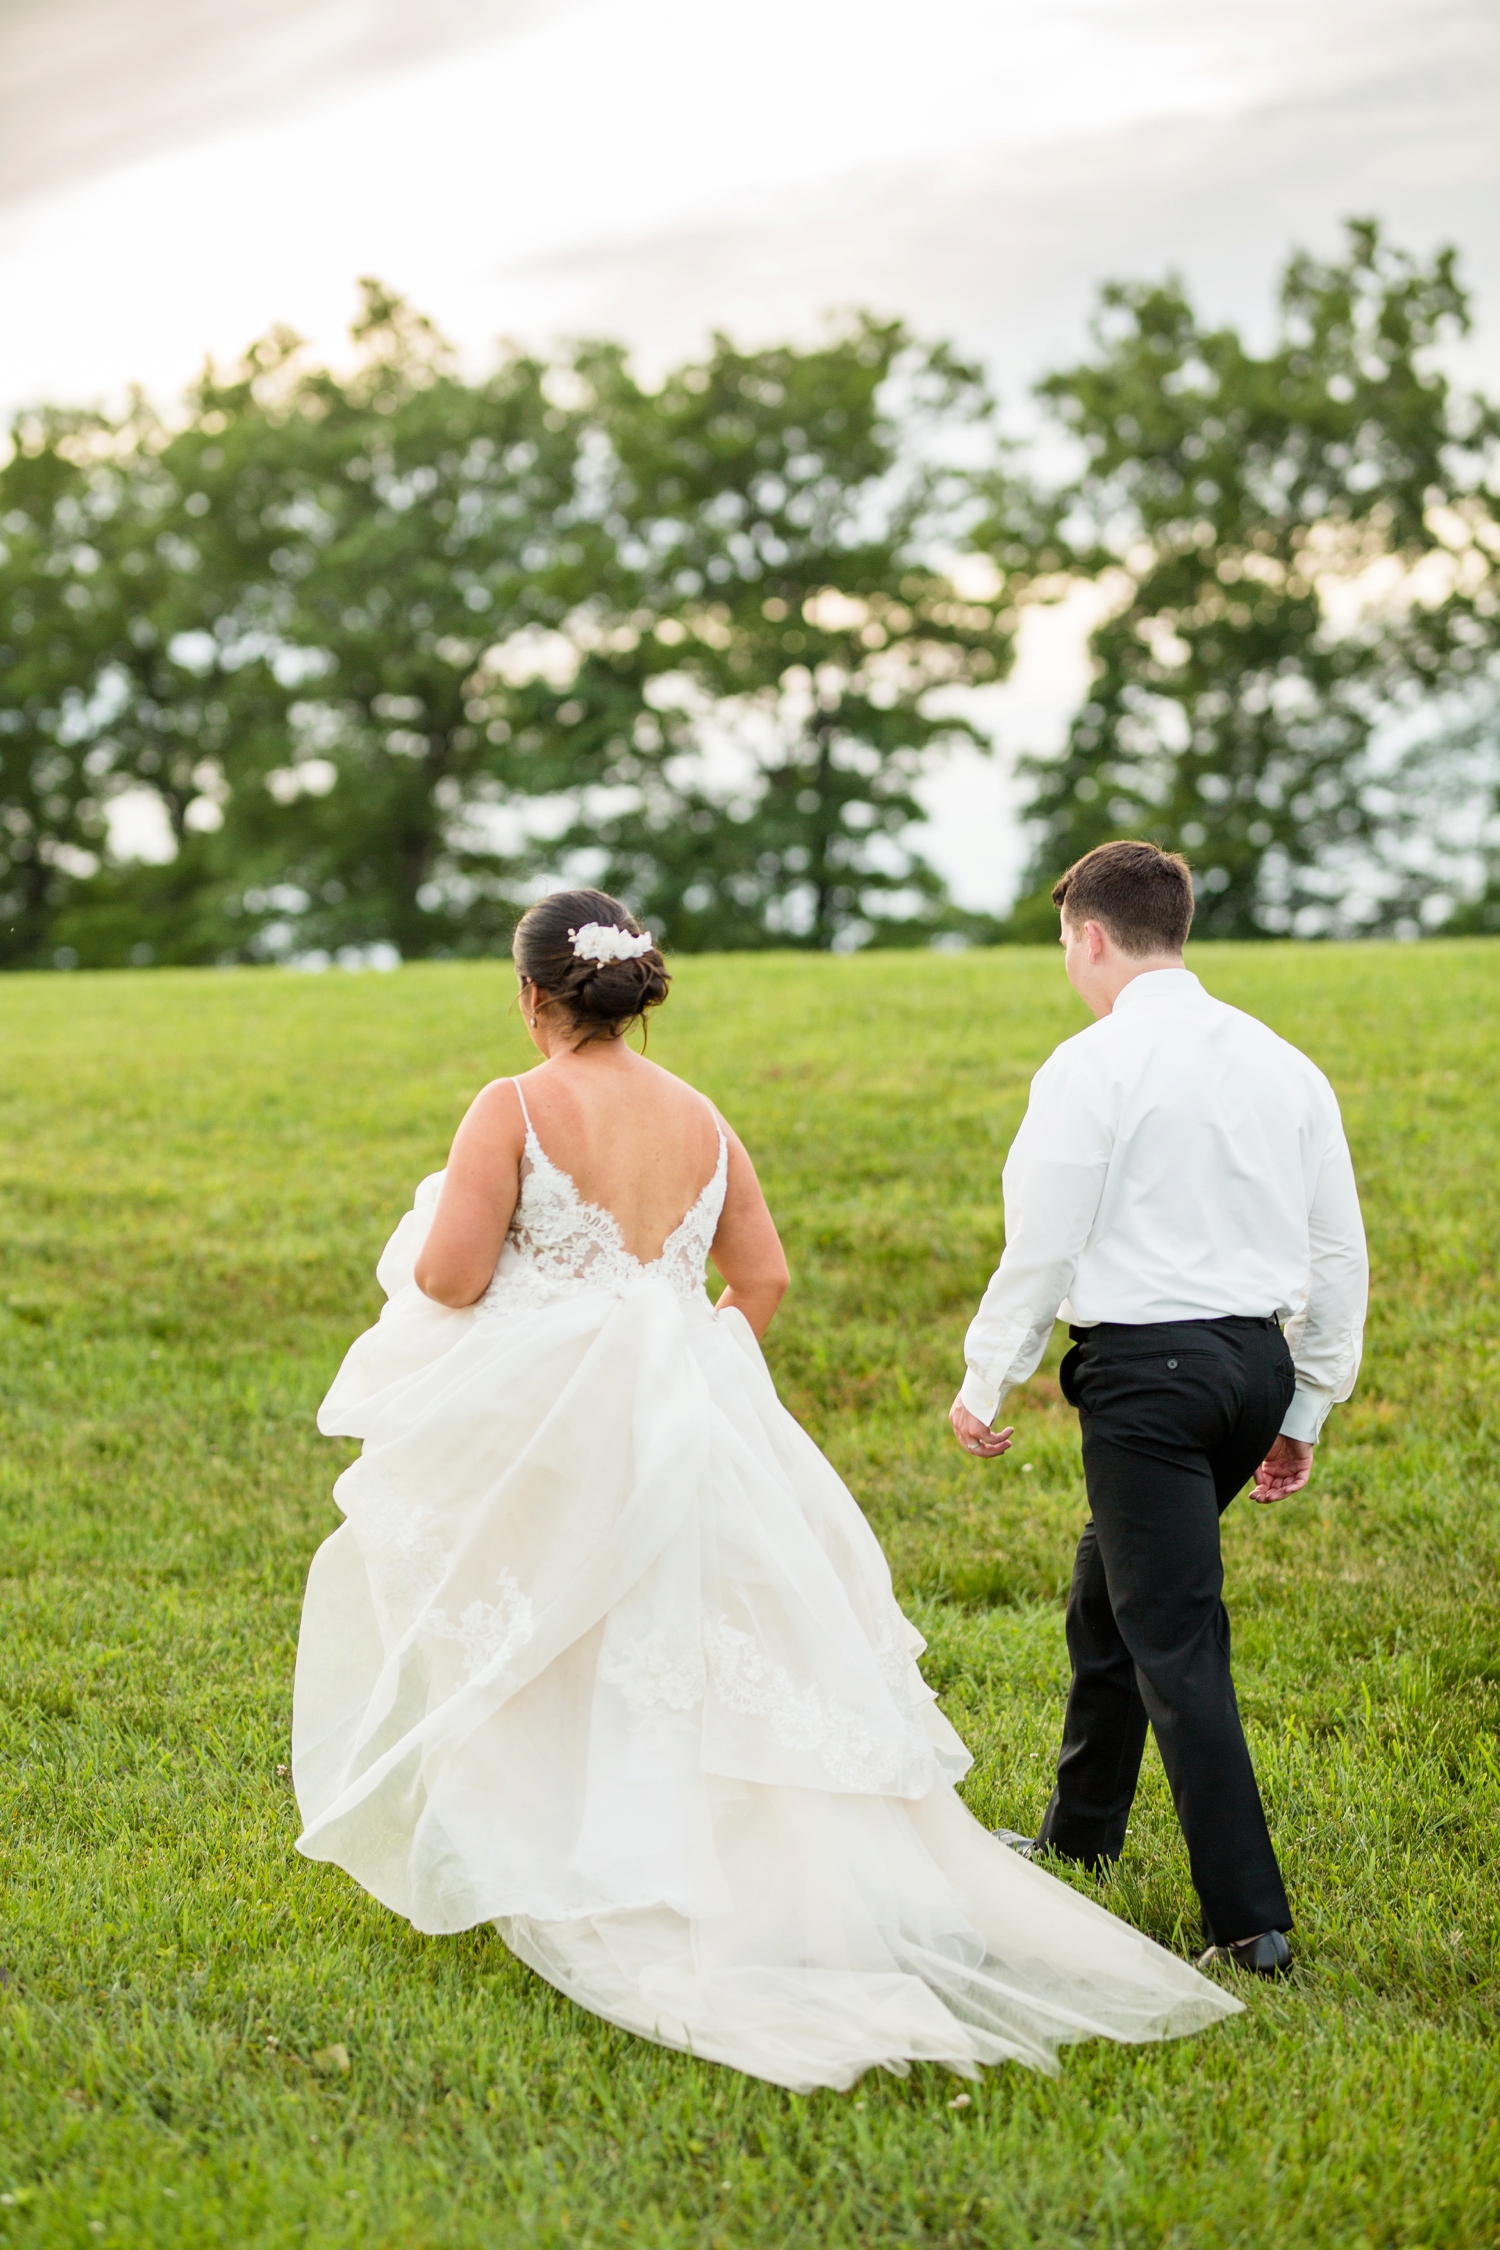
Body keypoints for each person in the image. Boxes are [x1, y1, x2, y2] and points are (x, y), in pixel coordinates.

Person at [292, 885, 1242, 2091]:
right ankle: (731, 1862)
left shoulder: (512, 1106)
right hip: (689, 1409)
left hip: (552, 1415)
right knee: (694, 1640)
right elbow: (765, 1277)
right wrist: (691, 1359)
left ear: (533, 994)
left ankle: (589, 1861)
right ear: (638, 991)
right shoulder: (700, 1115)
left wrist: (454, 1238)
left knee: (553, 1630)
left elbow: (453, 1275)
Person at [951, 841, 1368, 1977]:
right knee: (1111, 1604)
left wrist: (988, 1376)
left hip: (1150, 1387)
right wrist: (1309, 1400)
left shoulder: (1090, 1065)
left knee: (1175, 1638)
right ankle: (1077, 1839)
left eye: (1063, 947)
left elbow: (1044, 1237)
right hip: (1251, 1374)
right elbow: (1338, 1248)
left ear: (1088, 934)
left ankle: (1250, 1922)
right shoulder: (1286, 1064)